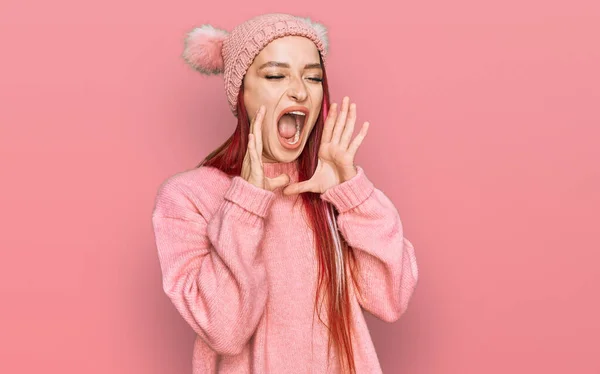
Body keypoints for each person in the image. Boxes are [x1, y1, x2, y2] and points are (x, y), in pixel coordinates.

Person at [151, 12, 419, 374]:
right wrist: (246, 203)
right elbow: (226, 331)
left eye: (313, 77)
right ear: (241, 93)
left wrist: (352, 193)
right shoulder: (188, 197)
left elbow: (390, 298)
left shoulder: (331, 189)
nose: (299, 90)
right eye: (276, 75)